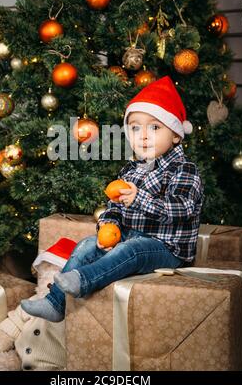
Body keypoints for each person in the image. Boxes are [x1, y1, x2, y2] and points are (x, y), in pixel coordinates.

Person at [21, 75, 205, 322]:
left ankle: (83, 280)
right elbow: (114, 207)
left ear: (176, 135)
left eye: (155, 127)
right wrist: (109, 226)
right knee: (87, 244)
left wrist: (139, 198)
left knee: (133, 249)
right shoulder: (131, 170)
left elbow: (182, 209)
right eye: (135, 128)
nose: (144, 135)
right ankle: (55, 304)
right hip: (130, 237)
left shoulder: (184, 169)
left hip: (167, 248)